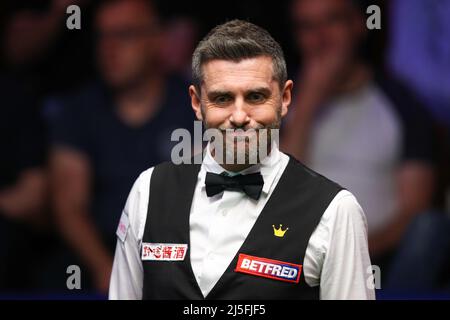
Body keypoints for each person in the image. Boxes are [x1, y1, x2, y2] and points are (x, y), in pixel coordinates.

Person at [109, 19, 375, 300]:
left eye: (255, 96)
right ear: (197, 103)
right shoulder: (149, 190)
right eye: (222, 98)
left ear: (284, 98)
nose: (238, 116)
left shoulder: (335, 210)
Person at [281, 0, 436, 279]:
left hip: (379, 264)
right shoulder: (272, 101)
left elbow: (416, 211)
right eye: (307, 26)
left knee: (431, 229)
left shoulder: (403, 104)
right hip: (293, 262)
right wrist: (309, 100)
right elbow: (273, 194)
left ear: (358, 25)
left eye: (332, 21)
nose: (320, 38)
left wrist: (349, 256)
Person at [49, 0, 194, 294]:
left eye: (125, 35)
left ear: (156, 40)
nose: (109, 48)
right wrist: (108, 269)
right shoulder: (79, 111)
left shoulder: (196, 107)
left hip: (182, 263)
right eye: (103, 36)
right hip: (97, 266)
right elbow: (68, 206)